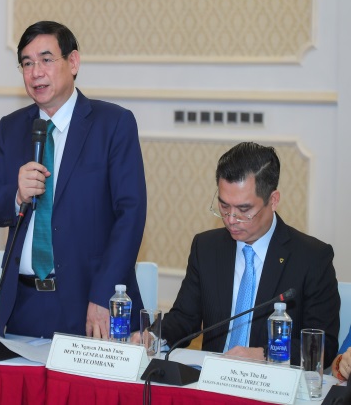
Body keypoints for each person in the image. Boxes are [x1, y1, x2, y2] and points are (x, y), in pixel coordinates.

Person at [0, 21, 147, 339]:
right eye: (27, 63)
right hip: (23, 304)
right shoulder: (12, 128)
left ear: (73, 62)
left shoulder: (113, 124)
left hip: (90, 303)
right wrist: (17, 196)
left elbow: (131, 216)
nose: (36, 73)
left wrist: (104, 295)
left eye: (46, 59)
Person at [133, 142, 339, 367]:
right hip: (211, 377)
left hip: (270, 379)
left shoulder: (311, 258)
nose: (231, 219)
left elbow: (322, 346)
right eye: (224, 206)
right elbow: (185, 317)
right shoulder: (206, 247)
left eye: (244, 210)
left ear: (273, 200)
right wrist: (153, 336)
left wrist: (264, 354)